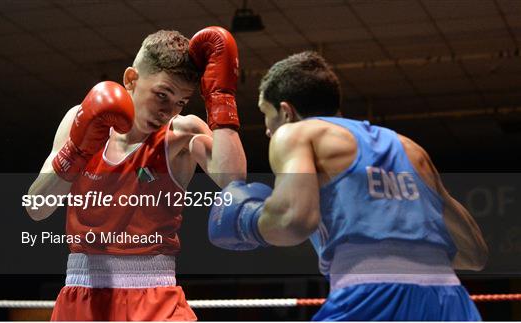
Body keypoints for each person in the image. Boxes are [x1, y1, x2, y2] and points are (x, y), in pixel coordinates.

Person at [207, 51, 488, 321]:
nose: (268, 130)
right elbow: (475, 254)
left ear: (286, 111)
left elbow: (294, 221)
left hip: (367, 296)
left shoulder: (295, 134)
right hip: (448, 300)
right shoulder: (410, 148)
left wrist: (249, 221)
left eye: (266, 114)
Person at [25, 26, 246, 321]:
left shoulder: (181, 133)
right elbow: (36, 208)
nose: (168, 110)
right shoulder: (80, 120)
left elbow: (233, 181)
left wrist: (220, 99)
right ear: (131, 79)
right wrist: (75, 152)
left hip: (154, 298)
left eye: (180, 101)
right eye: (162, 95)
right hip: (82, 297)